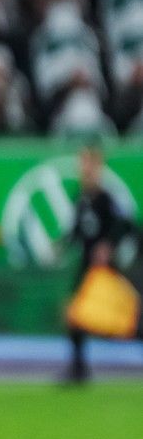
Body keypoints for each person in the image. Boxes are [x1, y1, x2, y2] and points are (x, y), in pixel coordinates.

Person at [62, 144, 138, 384]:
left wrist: (108, 245)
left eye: (89, 165)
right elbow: (75, 231)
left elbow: (127, 226)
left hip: (105, 270)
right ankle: (78, 367)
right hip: (86, 267)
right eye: (83, 165)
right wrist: (60, 246)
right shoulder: (81, 198)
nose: (85, 170)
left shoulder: (107, 199)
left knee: (123, 319)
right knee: (75, 314)